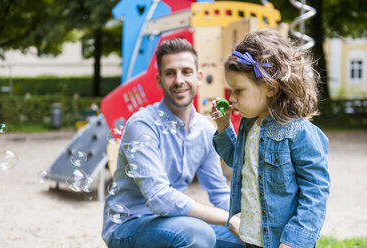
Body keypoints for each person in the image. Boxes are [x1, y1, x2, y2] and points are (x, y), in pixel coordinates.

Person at [102, 38, 245, 247]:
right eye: (170, 73)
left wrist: (246, 221)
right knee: (197, 233)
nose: (179, 80)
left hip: (172, 222)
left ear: (198, 77)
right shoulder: (142, 125)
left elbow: (219, 192)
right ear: (160, 81)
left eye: (186, 72)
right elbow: (159, 198)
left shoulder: (205, 130)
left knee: (251, 237)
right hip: (128, 225)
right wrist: (227, 219)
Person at [211, 29, 330, 248]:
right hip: (253, 238)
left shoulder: (299, 132)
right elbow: (237, 162)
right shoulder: (249, 125)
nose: (232, 98)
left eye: (238, 90)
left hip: (283, 241)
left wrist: (295, 239)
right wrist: (223, 126)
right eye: (230, 91)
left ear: (270, 88)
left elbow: (316, 191)